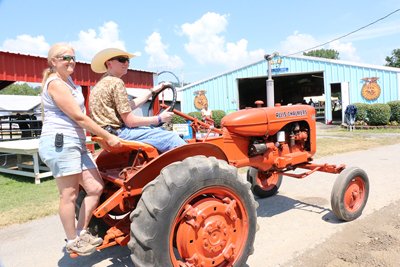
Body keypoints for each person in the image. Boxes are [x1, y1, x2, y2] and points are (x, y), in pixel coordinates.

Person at [38, 43, 121, 256]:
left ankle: (80, 231)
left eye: (73, 57)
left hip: (76, 142)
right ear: (53, 61)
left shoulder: (69, 82)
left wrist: (96, 137)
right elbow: (78, 116)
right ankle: (72, 240)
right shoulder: (55, 83)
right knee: (69, 194)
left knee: (94, 188)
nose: (70, 61)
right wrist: (107, 135)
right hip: (61, 142)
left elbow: (81, 118)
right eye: (65, 57)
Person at [89, 48, 186, 153]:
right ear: (109, 63)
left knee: (158, 131)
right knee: (172, 138)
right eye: (122, 59)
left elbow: (128, 106)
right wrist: (159, 118)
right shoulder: (117, 83)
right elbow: (130, 122)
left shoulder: (100, 84)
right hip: (119, 133)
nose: (126, 63)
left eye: (128, 60)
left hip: (105, 134)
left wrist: (152, 91)